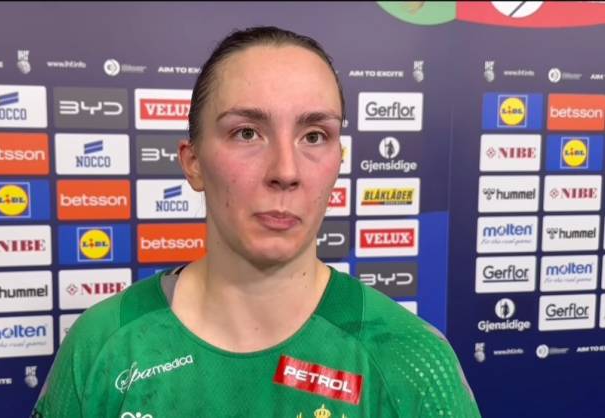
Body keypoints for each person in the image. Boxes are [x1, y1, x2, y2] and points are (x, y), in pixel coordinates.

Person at [32, 26, 481, 418]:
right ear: (193, 163)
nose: (285, 170)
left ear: (338, 161)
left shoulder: (412, 361)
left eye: (314, 136)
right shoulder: (103, 346)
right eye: (247, 133)